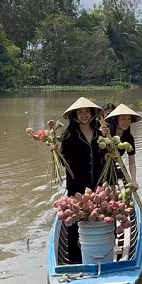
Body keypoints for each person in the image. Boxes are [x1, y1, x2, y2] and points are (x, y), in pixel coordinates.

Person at [59, 97, 105, 263]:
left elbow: (106, 158)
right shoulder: (68, 136)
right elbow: (63, 161)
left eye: (87, 111)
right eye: (81, 112)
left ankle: (102, 252)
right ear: (75, 115)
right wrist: (54, 150)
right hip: (77, 185)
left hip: (97, 183)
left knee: (101, 216)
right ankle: (75, 260)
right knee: (75, 220)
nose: (84, 115)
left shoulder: (100, 133)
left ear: (92, 113)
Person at [100, 103, 141, 190]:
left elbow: (132, 162)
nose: (126, 122)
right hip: (99, 166)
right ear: (116, 119)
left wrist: (134, 180)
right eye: (123, 118)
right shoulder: (106, 132)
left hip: (113, 166)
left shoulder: (129, 138)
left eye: (128, 119)